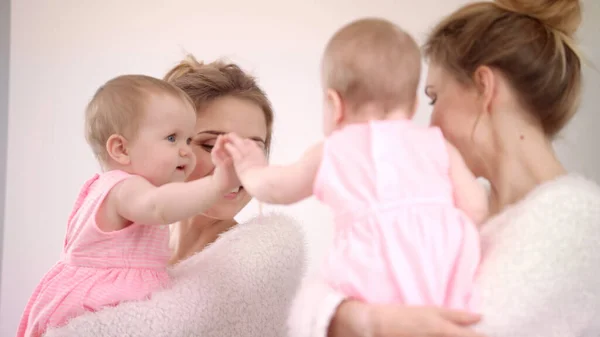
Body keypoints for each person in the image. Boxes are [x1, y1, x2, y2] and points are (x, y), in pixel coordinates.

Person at [287, 0, 600, 336]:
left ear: (484, 87)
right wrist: (365, 319)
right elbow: (314, 296)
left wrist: (350, 316)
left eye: (434, 97)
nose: (430, 123)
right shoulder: (456, 206)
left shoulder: (574, 219)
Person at [220, 18, 487, 311]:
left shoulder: (333, 151)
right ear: (413, 105)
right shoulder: (438, 145)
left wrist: (251, 167)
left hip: (374, 277)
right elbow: (475, 207)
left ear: (335, 105)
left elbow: (277, 189)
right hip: (443, 273)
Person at [42, 56, 306, 337]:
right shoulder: (130, 248)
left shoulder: (265, 253)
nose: (235, 166)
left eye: (252, 150)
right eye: (210, 145)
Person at [19, 74, 244, 337]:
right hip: (100, 302)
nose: (186, 151)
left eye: (188, 140)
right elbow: (159, 208)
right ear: (121, 149)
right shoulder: (125, 188)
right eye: (172, 138)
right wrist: (217, 184)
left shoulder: (111, 187)